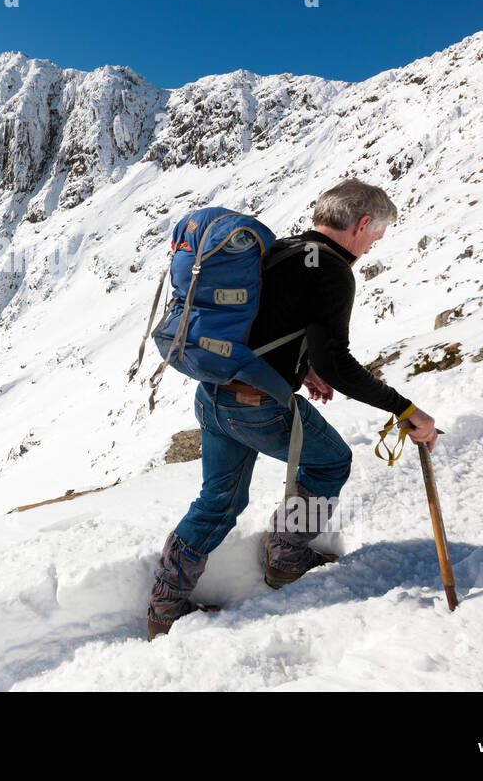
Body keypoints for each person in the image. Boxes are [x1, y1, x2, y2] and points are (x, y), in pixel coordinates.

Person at [146, 179, 438, 640]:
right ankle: (286, 558)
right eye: (375, 237)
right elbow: (337, 364)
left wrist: (301, 371)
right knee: (330, 462)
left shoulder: (281, 249)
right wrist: (404, 410)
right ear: (361, 225)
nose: (372, 247)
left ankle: (164, 605)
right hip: (258, 408)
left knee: (218, 501)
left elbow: (261, 328)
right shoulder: (334, 271)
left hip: (214, 396)